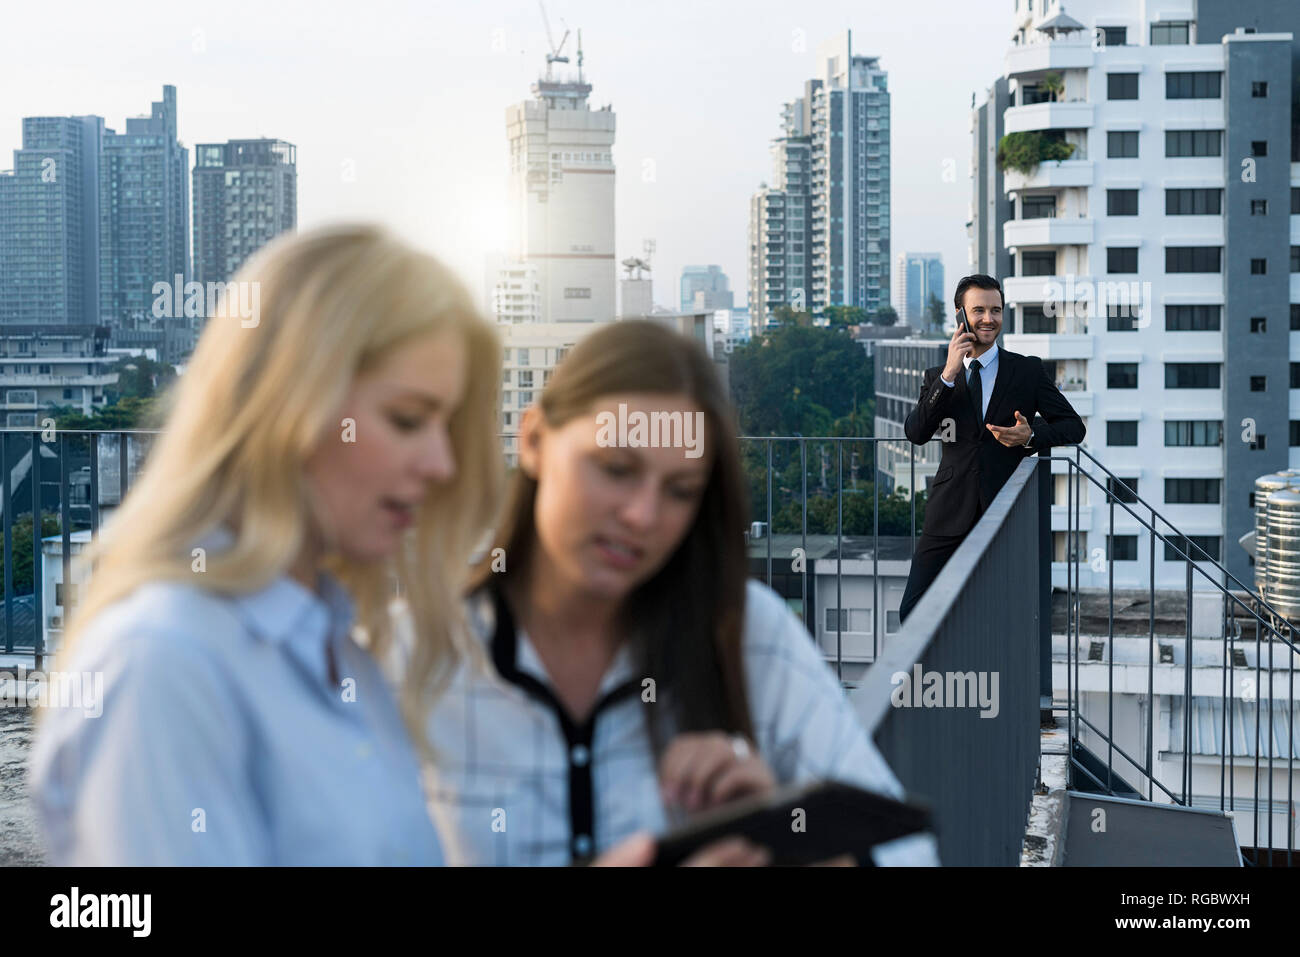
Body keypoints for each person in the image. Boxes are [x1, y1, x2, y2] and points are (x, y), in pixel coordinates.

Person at [28, 224, 506, 865]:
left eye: (446, 427)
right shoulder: (167, 664)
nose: (441, 463)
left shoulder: (343, 655)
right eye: (407, 420)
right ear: (293, 401)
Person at [411, 320, 938, 866]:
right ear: (535, 440)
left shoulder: (748, 635)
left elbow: (906, 850)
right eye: (616, 469)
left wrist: (787, 837)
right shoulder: (416, 656)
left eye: (680, 491)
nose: (642, 515)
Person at [898, 274, 1085, 624]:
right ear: (960, 315)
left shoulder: (1026, 370)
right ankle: (939, 678)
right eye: (979, 310)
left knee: (1000, 614)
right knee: (912, 611)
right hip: (948, 511)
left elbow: (1074, 427)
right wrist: (950, 374)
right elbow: (916, 432)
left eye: (996, 310)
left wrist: (1029, 437)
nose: (989, 318)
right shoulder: (939, 376)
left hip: (1004, 512)